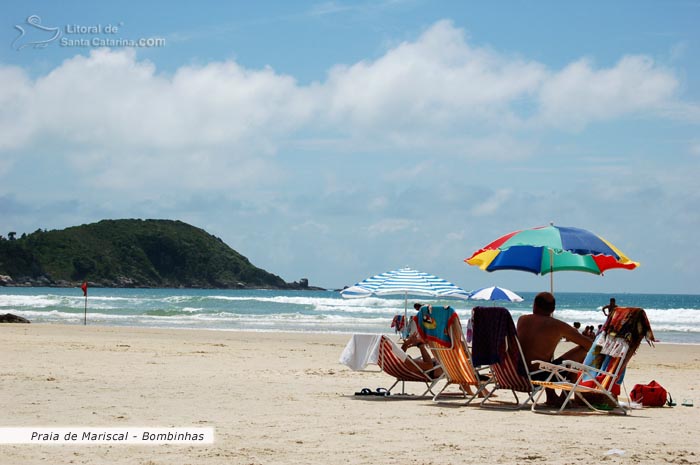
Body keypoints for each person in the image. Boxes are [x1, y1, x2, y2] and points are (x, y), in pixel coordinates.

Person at [517, 292, 593, 406]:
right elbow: (589, 345)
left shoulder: (522, 320)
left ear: (534, 305)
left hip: (519, 373)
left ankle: (551, 396)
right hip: (540, 375)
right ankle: (563, 398)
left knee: (545, 358)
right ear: (553, 309)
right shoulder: (558, 325)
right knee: (582, 351)